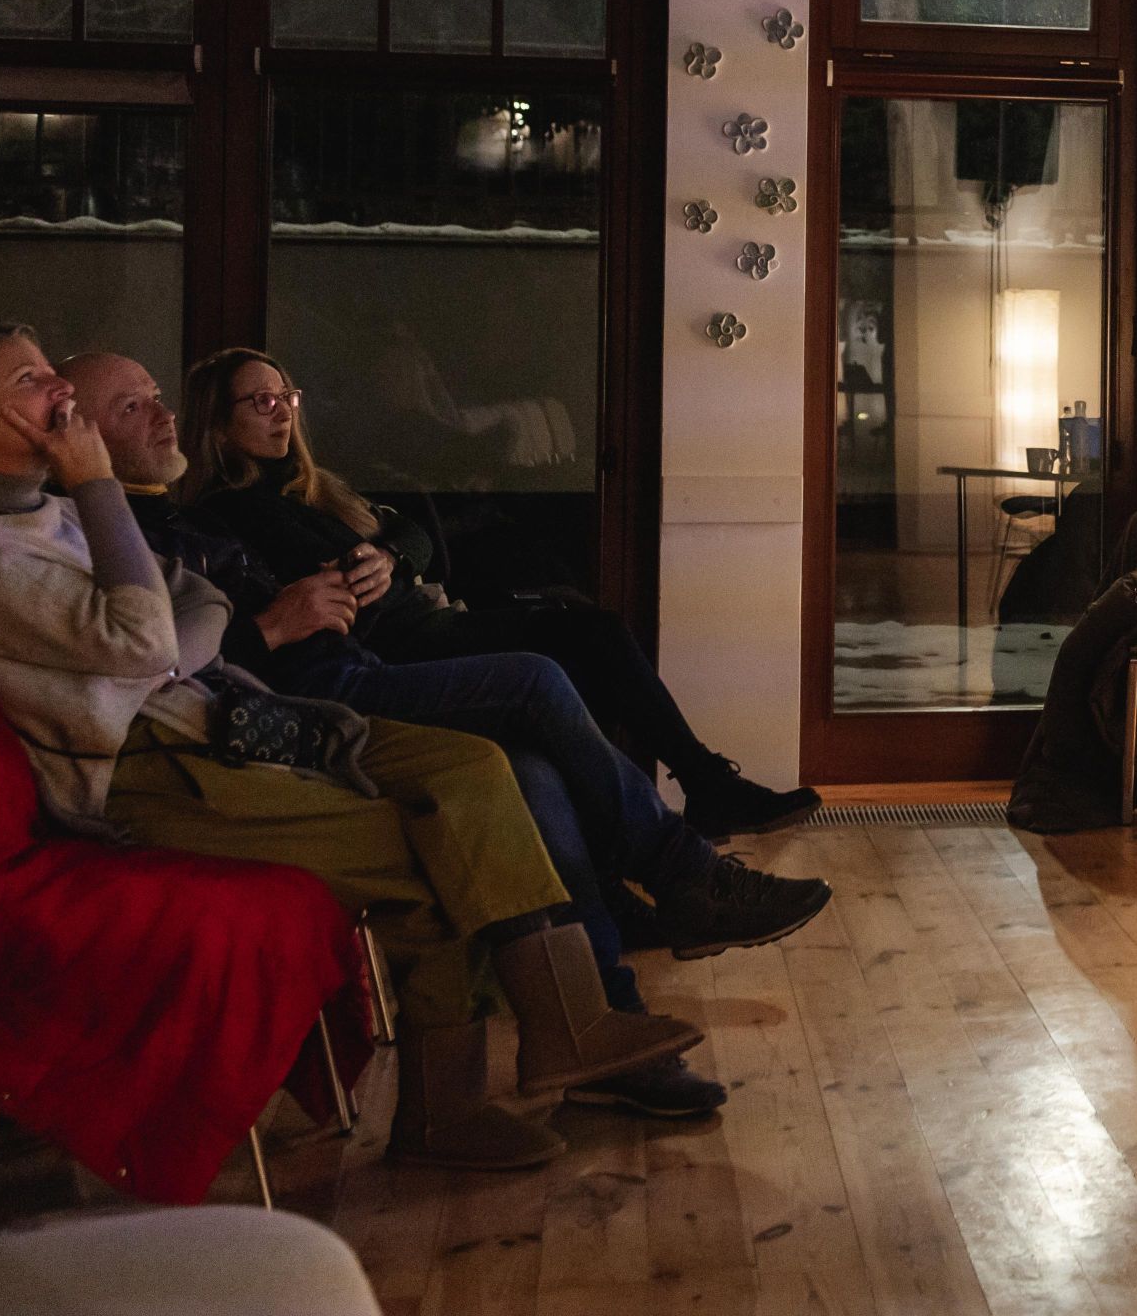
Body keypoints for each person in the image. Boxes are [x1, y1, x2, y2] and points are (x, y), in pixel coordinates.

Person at [0, 324, 702, 1173]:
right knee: (434, 847)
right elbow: (144, 639)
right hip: (148, 774)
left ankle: (568, 1020)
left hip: (205, 721)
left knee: (471, 766)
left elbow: (192, 599)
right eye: (28, 378)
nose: (59, 391)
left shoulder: (42, 511)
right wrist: (100, 494)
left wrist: (167, 636)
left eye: (52, 370)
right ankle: (447, 1107)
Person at [63, 353, 832, 1121]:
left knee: (534, 765)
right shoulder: (156, 521)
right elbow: (156, 659)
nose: (163, 413)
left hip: (346, 669)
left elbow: (401, 533)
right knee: (539, 677)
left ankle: (606, 1024)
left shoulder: (200, 512)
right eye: (133, 406)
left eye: (158, 397)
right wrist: (268, 626)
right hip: (306, 702)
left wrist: (384, 558)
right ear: (80, 438)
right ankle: (681, 872)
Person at [174, 347, 817, 838]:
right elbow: (323, 577)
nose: (283, 410)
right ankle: (694, 793)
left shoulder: (313, 489)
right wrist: (373, 564)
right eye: (260, 401)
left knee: (585, 632)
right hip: (397, 646)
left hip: (423, 621)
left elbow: (410, 530)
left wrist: (393, 555)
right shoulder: (232, 510)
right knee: (587, 636)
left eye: (286, 395)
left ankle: (668, 807)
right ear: (219, 426)